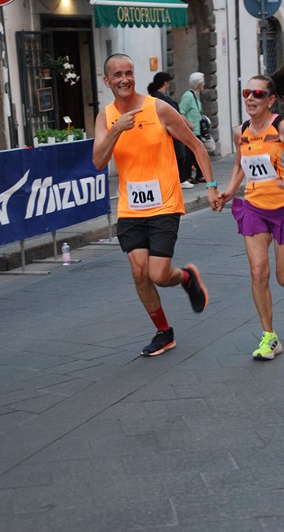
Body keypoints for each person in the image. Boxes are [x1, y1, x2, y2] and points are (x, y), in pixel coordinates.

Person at [93, 53, 219, 357]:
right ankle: (164, 333)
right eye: (117, 75)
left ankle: (186, 277)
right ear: (106, 81)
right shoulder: (105, 117)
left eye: (129, 73)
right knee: (139, 274)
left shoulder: (158, 108)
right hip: (130, 208)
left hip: (164, 203)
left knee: (159, 275)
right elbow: (98, 162)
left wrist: (212, 186)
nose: (125, 79)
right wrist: (116, 129)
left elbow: (196, 145)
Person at [216, 59, 284, 361]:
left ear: (271, 99)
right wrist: (227, 190)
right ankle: (270, 336)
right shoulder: (242, 132)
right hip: (254, 208)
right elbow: (240, 164)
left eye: (258, 94)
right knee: (257, 271)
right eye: (247, 93)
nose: (250, 98)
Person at [147, 71, 193, 189]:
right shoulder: (158, 97)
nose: (168, 85)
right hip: (166, 128)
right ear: (165, 83)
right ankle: (180, 179)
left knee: (179, 152)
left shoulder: (162, 96)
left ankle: (180, 178)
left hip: (171, 128)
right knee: (178, 153)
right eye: (168, 83)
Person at [179, 72, 207, 184]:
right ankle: (188, 176)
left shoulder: (196, 95)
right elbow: (181, 112)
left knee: (196, 153)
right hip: (191, 130)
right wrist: (189, 124)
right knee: (192, 154)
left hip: (197, 130)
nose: (204, 84)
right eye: (202, 82)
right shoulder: (188, 96)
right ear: (199, 84)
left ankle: (197, 175)